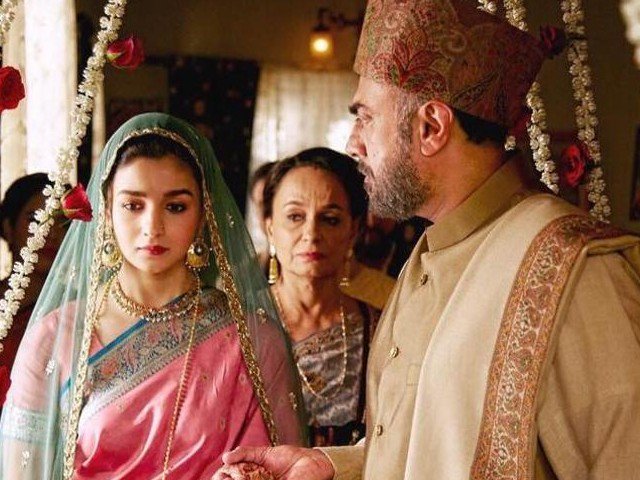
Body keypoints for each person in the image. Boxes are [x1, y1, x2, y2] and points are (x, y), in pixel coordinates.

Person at [217, 1, 640, 479]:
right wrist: (331, 465)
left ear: (431, 127)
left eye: (366, 117)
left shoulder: (573, 268)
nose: (354, 143)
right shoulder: (428, 257)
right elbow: (427, 449)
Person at [0, 113, 304, 479]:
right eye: (133, 205)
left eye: (175, 206)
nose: (152, 227)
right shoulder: (56, 337)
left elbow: (286, 467)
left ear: (203, 214)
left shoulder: (252, 341)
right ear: (106, 210)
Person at [262, 147, 386, 447]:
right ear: (270, 229)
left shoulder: (381, 331)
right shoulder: (237, 327)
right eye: (295, 217)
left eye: (330, 219)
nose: (311, 233)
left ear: (353, 230)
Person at [0, 173, 66, 372]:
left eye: (61, 222)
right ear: (8, 228)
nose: (51, 233)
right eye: (36, 220)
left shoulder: (73, 311)